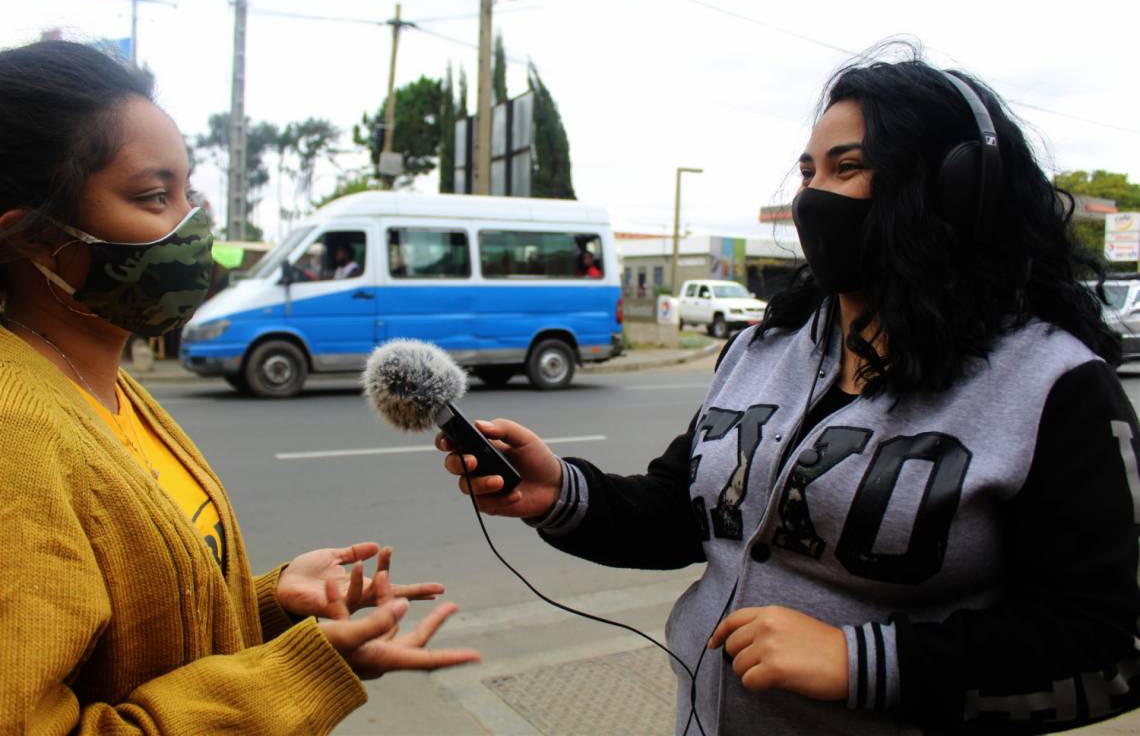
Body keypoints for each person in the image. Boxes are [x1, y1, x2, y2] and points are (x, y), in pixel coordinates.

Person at [438, 49, 1140, 734]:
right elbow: (689, 514)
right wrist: (561, 492)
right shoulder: (761, 349)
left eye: (847, 168)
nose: (811, 197)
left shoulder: (1056, 385)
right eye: (808, 171)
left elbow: (1102, 636)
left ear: (950, 190)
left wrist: (864, 661)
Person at [0, 40, 479, 733]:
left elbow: (131, 636)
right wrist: (294, 674)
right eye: (153, 196)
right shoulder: (17, 434)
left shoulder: (104, 388)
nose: (194, 224)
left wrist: (266, 605)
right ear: (34, 240)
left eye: (188, 190)